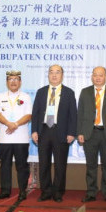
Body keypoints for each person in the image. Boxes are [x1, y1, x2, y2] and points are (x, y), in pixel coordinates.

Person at [31, 64, 77, 203]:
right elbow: (35, 113)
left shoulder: (69, 92)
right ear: (48, 75)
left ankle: (58, 192)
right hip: (44, 130)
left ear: (62, 75)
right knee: (44, 163)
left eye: (57, 72)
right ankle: (45, 191)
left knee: (60, 164)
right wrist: (34, 130)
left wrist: (71, 133)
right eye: (51, 72)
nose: (54, 75)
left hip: (61, 131)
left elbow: (73, 115)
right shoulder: (41, 92)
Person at [77, 66, 106, 203]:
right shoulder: (85, 92)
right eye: (95, 75)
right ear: (92, 77)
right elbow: (80, 114)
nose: (98, 77)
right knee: (91, 166)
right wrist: (80, 132)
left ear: (105, 77)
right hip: (90, 133)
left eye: (101, 75)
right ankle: (91, 192)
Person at [0, 70, 32, 201]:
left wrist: (15, 124)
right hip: (4, 138)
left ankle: (22, 191)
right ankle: (5, 191)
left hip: (21, 138)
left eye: (16, 79)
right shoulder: (1, 96)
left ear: (20, 82)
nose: (13, 82)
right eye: (10, 79)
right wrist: (8, 123)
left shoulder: (26, 96)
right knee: (5, 165)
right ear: (7, 82)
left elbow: (28, 115)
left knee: (22, 166)